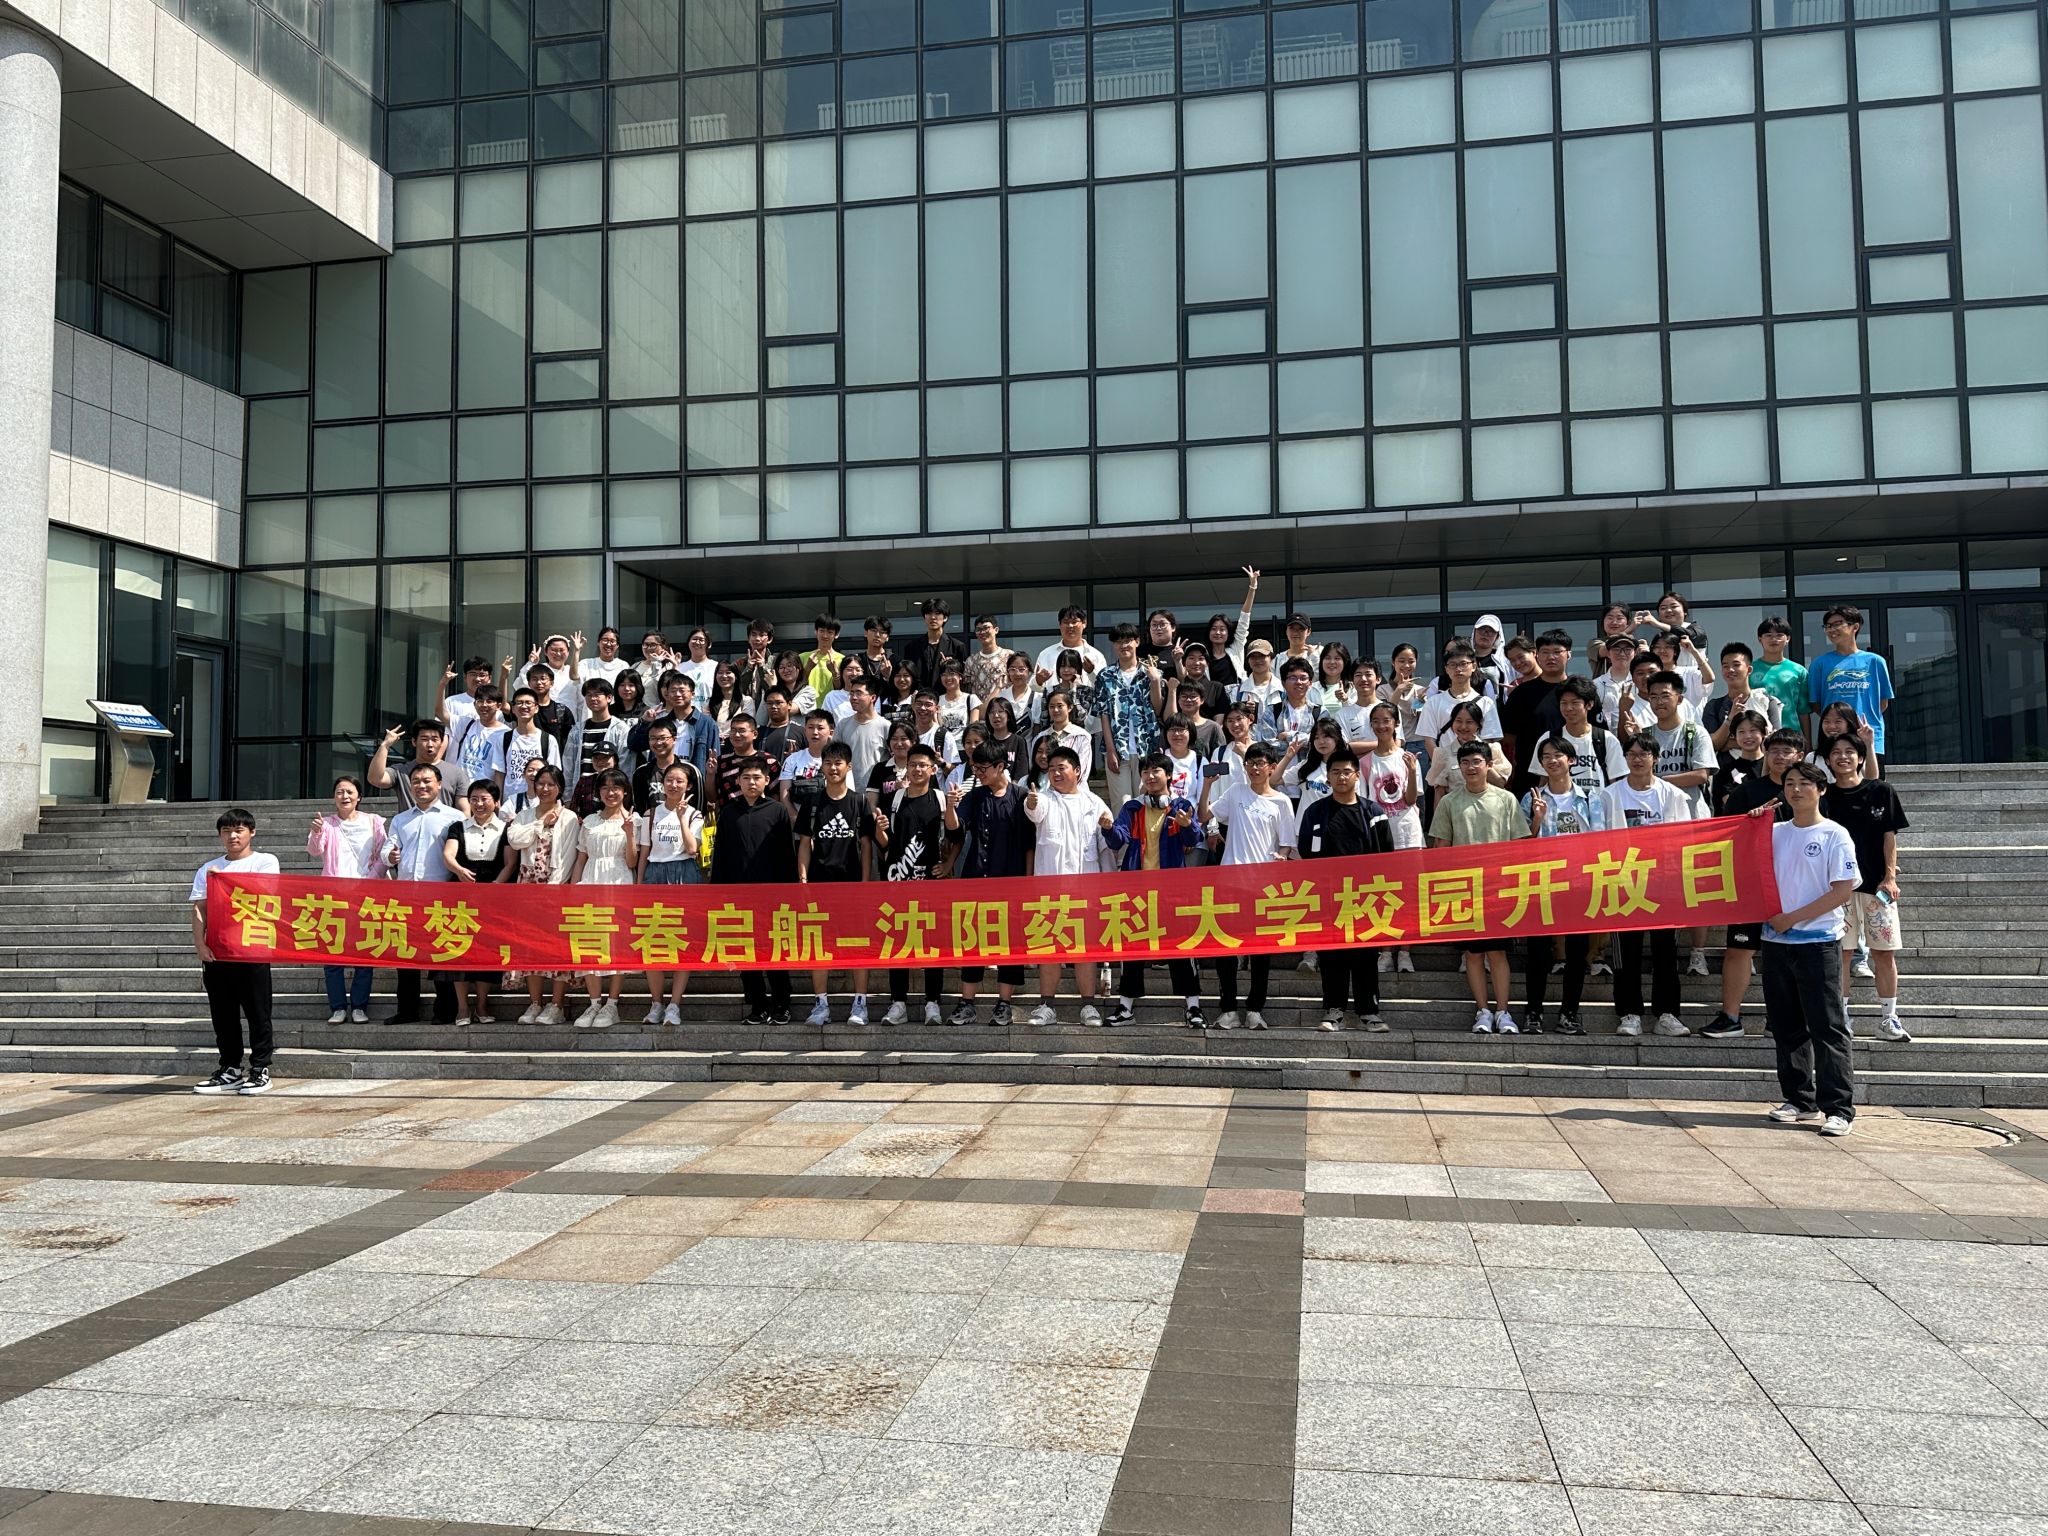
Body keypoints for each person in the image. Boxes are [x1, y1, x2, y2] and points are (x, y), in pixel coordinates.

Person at [1757, 762, 1862, 1136]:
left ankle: (1839, 1109)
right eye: (1790, 783)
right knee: (1786, 1025)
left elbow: (1842, 890)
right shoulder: (1774, 832)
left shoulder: (1835, 834)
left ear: (1821, 789)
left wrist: (1792, 918)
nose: (1796, 790)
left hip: (1817, 942)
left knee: (1827, 1025)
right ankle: (1800, 1100)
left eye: (1804, 783)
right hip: (1775, 942)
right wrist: (1752, 823)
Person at [1701, 727, 1806, 1041]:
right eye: (1773, 751)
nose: (1779, 757)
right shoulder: (1747, 792)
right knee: (1739, 949)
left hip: (1794, 886)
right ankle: (1730, 1017)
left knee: (1788, 954)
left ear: (1800, 756)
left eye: (1786, 751)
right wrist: (1750, 822)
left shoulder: (1809, 791)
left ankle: (1782, 1018)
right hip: (1751, 885)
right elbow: (1726, 836)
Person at [1430, 740, 1530, 1034]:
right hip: (1464, 889)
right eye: (1465, 763)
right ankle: (1483, 1011)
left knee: (1497, 953)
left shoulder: (1506, 800)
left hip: (1499, 888)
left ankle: (1503, 1012)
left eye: (1476, 762)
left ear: (1488, 765)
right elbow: (1441, 847)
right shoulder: (1449, 802)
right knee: (1472, 954)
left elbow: (1518, 845)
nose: (1471, 768)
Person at [1601, 735, 1695, 1038]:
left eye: (1644, 753)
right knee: (1625, 953)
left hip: (1663, 884)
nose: (1637, 759)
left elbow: (1685, 839)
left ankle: (1667, 1014)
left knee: (1665, 951)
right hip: (1623, 881)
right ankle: (1629, 1013)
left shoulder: (1673, 795)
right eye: (1631, 754)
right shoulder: (1610, 795)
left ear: (1656, 757)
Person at [1101, 754, 1203, 1029]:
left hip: (1171, 891)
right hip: (1137, 890)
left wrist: (1188, 825)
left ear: (1168, 775)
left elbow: (1195, 839)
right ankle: (1125, 1008)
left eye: (1155, 770)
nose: (1149, 776)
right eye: (1145, 772)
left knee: (1181, 947)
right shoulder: (1133, 807)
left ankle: (1193, 1007)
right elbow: (1119, 839)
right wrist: (1108, 829)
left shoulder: (1181, 806)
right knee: (1132, 949)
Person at [1202, 742, 1297, 1030]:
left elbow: (1286, 843)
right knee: (1225, 948)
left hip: (1262, 887)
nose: (1254, 768)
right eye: (1250, 763)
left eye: (1260, 764)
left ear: (1271, 767)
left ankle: (1255, 1008)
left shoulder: (1282, 802)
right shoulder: (1236, 792)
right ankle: (1228, 1009)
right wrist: (1207, 786)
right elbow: (1205, 816)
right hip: (1230, 883)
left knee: (1261, 951)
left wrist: (1282, 856)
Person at [1823, 734, 1911, 1044]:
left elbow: (1890, 837)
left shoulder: (1881, 791)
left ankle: (1889, 1018)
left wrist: (1890, 877)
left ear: (1861, 757)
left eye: (1849, 751)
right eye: (1836, 752)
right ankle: (1842, 1018)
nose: (1843, 757)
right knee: (1842, 954)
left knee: (1884, 953)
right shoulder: (1823, 796)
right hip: (1838, 890)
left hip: (1876, 887)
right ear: (1828, 760)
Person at [1299, 748, 1393, 1032]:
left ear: (1357, 775)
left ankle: (1369, 1011)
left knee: (1366, 955)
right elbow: (1306, 851)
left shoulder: (1373, 812)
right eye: (1335, 772)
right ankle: (1333, 1010)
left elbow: (1386, 854)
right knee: (1332, 955)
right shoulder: (1315, 812)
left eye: (1346, 772)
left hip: (1366, 895)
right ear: (1328, 777)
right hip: (1329, 896)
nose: (1341, 777)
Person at [1520, 739, 1610, 1036]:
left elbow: (1600, 839)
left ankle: (1569, 1012)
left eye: (1557, 755)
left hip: (1578, 882)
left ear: (1571, 760)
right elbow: (1520, 844)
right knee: (1537, 952)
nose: (1551, 760)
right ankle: (1533, 1012)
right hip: (1541, 882)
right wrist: (1537, 819)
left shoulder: (1590, 798)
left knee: (1577, 951)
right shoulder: (1531, 798)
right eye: (1545, 756)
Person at [189, 808, 281, 1095]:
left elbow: (265, 895)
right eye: (227, 831)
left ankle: (260, 1068)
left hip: (252, 948)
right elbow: (199, 908)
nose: (233, 836)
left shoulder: (265, 862)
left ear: (251, 832)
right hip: (219, 950)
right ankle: (230, 1068)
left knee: (258, 1011)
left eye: (239, 830)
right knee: (223, 1014)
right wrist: (200, 945)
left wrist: (226, 882)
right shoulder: (208, 869)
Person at [1023, 745, 1114, 1026]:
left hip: (1085, 891)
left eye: (1061, 768)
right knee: (1049, 948)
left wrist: (1109, 826)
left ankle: (1088, 1006)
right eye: (1051, 769)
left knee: (1084, 949)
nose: (1055, 773)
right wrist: (1032, 803)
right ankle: (1046, 1006)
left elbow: (1106, 849)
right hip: (1050, 891)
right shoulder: (1044, 799)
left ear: (1077, 771)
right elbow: (1034, 811)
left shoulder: (1094, 803)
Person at [946, 742, 1033, 1027]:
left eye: (983, 768)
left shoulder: (1021, 797)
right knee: (972, 941)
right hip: (976, 879)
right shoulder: (976, 795)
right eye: (975, 768)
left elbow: (1029, 845)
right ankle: (967, 1002)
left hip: (1011, 881)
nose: (979, 773)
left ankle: (1004, 1003)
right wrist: (950, 806)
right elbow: (956, 829)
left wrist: (1028, 882)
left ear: (1000, 766)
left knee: (1010, 943)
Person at [870, 742, 952, 1026]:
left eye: (923, 765)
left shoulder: (940, 800)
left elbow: (956, 836)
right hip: (899, 883)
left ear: (932, 769)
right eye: (913, 764)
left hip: (931, 883)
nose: (917, 769)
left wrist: (948, 865)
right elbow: (885, 845)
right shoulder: (894, 801)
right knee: (897, 942)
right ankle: (898, 1003)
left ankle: (933, 1002)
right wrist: (880, 831)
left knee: (933, 943)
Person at [713, 755, 798, 1025]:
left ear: (767, 781)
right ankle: (758, 1005)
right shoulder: (729, 812)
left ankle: (782, 1003)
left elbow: (787, 854)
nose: (751, 782)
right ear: (738, 781)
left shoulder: (777, 811)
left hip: (772, 895)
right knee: (745, 952)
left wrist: (790, 891)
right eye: (746, 778)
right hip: (738, 895)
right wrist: (718, 893)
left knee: (774, 949)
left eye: (757, 778)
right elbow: (720, 855)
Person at [795, 742, 876, 1027]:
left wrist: (864, 884)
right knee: (819, 946)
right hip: (820, 886)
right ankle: (821, 1004)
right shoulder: (812, 803)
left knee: (857, 945)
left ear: (848, 766)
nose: (833, 768)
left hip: (852, 887)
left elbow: (867, 846)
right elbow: (804, 844)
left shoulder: (859, 802)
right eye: (828, 762)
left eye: (838, 762)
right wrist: (803, 880)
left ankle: (860, 1003)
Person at [383, 764, 464, 1026]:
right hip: (407, 895)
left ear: (439, 784)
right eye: (416, 781)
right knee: (405, 954)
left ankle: (445, 1011)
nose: (421, 785)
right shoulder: (401, 819)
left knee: (441, 953)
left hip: (441, 895)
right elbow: (387, 850)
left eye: (427, 781)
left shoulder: (455, 817)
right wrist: (390, 856)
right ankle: (407, 1010)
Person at [505, 763, 580, 1025]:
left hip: (555, 886)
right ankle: (535, 1002)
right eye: (541, 783)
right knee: (529, 947)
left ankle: (556, 1005)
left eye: (551, 784)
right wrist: (540, 824)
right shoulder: (525, 815)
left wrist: (555, 889)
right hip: (527, 885)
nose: (545, 789)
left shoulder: (569, 817)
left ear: (560, 788)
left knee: (557, 947)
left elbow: (569, 856)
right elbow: (515, 840)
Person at [308, 775, 385, 1025]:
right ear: (334, 797)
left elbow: (383, 855)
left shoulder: (374, 822)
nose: (345, 796)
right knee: (333, 954)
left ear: (359, 796)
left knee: (364, 951)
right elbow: (315, 851)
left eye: (350, 792)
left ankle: (359, 1006)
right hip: (334, 896)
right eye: (340, 792)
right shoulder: (327, 824)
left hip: (366, 895)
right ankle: (338, 1007)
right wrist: (316, 832)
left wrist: (369, 881)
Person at [567, 768, 639, 1029]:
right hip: (591, 879)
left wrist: (629, 833)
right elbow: (581, 858)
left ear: (625, 791)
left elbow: (632, 861)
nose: (611, 792)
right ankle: (594, 1002)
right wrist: (574, 890)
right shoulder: (589, 820)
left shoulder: (634, 819)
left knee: (616, 944)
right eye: (605, 787)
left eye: (616, 787)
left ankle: (612, 1003)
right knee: (590, 942)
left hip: (619, 880)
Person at [442, 778, 517, 1026]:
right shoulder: (458, 826)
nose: (479, 804)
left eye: (484, 799)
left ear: (496, 801)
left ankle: (482, 1004)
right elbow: (448, 854)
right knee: (458, 950)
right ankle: (463, 1007)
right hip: (462, 895)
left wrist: (495, 886)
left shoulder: (506, 828)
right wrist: (459, 870)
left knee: (487, 951)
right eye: (474, 799)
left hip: (494, 896)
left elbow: (510, 863)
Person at [639, 759, 705, 1028]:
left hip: (684, 874)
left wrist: (681, 818)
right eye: (669, 780)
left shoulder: (694, 815)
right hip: (655, 875)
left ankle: (674, 1004)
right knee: (652, 941)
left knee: (682, 942)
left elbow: (692, 849)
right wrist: (639, 884)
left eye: (680, 781)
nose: (674, 785)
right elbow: (645, 852)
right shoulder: (650, 814)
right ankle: (656, 1003)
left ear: (688, 786)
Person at [1363, 702, 1423, 977]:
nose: (1381, 725)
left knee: (1409, 895)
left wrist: (1411, 771)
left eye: (1386, 720)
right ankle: (1385, 951)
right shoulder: (1366, 762)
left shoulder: (1407, 758)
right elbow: (1365, 804)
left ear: (1396, 723)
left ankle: (1406, 952)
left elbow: (1411, 799)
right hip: (1380, 836)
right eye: (1376, 721)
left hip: (1408, 834)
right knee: (1383, 895)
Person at [1809, 604, 1893, 760]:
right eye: (1828, 626)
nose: (1832, 630)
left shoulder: (1875, 661)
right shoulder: (1819, 664)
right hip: (1833, 739)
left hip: (1869, 738)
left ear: (1855, 627)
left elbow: (1882, 703)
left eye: (1837, 624)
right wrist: (1837, 722)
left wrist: (1858, 722)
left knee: (1871, 776)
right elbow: (1816, 704)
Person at [1499, 629, 1574, 794]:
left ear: (1568, 654)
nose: (1551, 657)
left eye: (1557, 652)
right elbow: (1508, 736)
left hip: (1575, 773)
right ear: (1537, 654)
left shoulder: (1581, 690)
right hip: (1529, 777)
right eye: (1545, 652)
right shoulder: (1520, 693)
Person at [1098, 623, 1163, 806]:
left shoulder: (1150, 672)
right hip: (1118, 749)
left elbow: (1158, 709)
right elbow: (1104, 714)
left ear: (1137, 642)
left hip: (1146, 747)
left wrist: (1155, 681)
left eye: (1128, 641)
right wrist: (1110, 750)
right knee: (1122, 804)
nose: (1124, 645)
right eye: (1119, 642)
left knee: (1146, 803)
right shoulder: (1105, 675)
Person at [1526, 677, 1625, 798]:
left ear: (1589, 704)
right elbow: (1544, 779)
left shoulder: (1607, 739)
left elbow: (1615, 783)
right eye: (1564, 703)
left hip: (1598, 807)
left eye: (1575, 703)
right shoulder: (1548, 738)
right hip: (1559, 807)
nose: (1568, 708)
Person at [1416, 641, 1502, 753]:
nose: (1458, 669)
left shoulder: (1486, 703)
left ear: (1473, 666)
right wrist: (1441, 761)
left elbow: (1489, 740)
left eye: (1463, 664)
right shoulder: (1433, 702)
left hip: (1476, 761)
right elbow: (1429, 740)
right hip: (1445, 761)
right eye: (1453, 665)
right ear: (1446, 669)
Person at [369, 719, 472, 812]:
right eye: (424, 739)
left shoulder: (456, 773)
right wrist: (385, 745)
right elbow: (375, 779)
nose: (430, 744)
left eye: (435, 739)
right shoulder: (401, 771)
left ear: (441, 742)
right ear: (414, 742)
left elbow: (464, 810)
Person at [1703, 642, 1784, 750]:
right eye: (1725, 666)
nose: (1730, 670)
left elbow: (1776, 742)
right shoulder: (1714, 706)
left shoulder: (1767, 702)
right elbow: (1710, 745)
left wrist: (1729, 743)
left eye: (1736, 665)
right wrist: (1730, 719)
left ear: (1749, 670)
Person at [495, 687, 562, 814]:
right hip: (510, 806)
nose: (524, 706)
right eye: (519, 703)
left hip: (540, 804)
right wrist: (498, 800)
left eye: (528, 703)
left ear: (536, 708)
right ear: (513, 708)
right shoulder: (504, 739)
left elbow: (554, 775)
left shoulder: (548, 740)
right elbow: (500, 773)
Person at [1424, 702, 1511, 791]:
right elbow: (1439, 790)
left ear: (1478, 724)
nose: (1463, 727)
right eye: (1458, 721)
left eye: (1469, 722)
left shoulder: (1492, 750)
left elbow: (1500, 784)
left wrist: (1483, 759)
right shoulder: (1442, 754)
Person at [444, 685, 508, 792]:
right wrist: (443, 684)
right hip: (459, 788)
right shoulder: (467, 724)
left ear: (499, 706)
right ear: (474, 704)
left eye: (489, 701)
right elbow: (440, 713)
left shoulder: (505, 734)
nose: (484, 705)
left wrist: (497, 797)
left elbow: (500, 772)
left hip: (484, 791)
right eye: (480, 701)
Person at [1752, 617, 1808, 732]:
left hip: (1791, 733)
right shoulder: (1749, 670)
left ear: (1788, 639)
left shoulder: (1798, 671)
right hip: (1759, 734)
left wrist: (1807, 740)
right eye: (1768, 635)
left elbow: (1803, 711)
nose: (1774, 639)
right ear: (1760, 639)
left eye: (1779, 635)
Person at [903, 597, 968, 691]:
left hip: (946, 695)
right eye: (929, 613)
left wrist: (950, 666)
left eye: (937, 613)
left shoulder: (957, 646)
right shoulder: (912, 647)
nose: (933, 617)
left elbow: (963, 676)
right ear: (924, 617)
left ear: (945, 618)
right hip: (920, 696)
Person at [777, 708, 837, 812]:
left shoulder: (839, 762)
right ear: (805, 731)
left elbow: (845, 795)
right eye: (810, 727)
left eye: (820, 728)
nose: (815, 732)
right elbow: (784, 797)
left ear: (831, 733)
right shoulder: (792, 760)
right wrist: (795, 817)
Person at [1033, 604, 1106, 685]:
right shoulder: (1046, 654)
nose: (1070, 626)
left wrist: (1091, 672)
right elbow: (1033, 687)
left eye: (1074, 622)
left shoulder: (1096, 655)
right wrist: (1038, 681)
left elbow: (1104, 687)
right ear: (1060, 625)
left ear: (1084, 623)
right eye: (1066, 622)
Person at [1034, 687, 1094, 783]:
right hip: (1044, 788)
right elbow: (1035, 768)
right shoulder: (1041, 736)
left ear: (1070, 707)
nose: (1055, 710)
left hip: (1074, 789)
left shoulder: (1082, 736)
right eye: (1052, 706)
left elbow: (1082, 771)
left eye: (1060, 706)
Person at [964, 614, 1015, 702]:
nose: (982, 632)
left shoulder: (1009, 656)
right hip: (979, 708)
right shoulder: (971, 661)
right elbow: (967, 689)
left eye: (986, 628)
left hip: (1004, 707)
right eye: (978, 629)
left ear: (996, 630)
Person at [981, 696, 1031, 784]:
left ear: (1008, 716)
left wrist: (1009, 789)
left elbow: (1021, 773)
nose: (996, 715)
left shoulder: (1019, 741)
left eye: (1000, 711)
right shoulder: (986, 742)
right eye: (992, 712)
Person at [1231, 639, 1284, 714]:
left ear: (1271, 658)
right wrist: (1244, 711)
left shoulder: (1283, 688)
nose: (1258, 660)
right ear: (1248, 660)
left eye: (1262, 656)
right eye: (1253, 656)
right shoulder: (1238, 691)